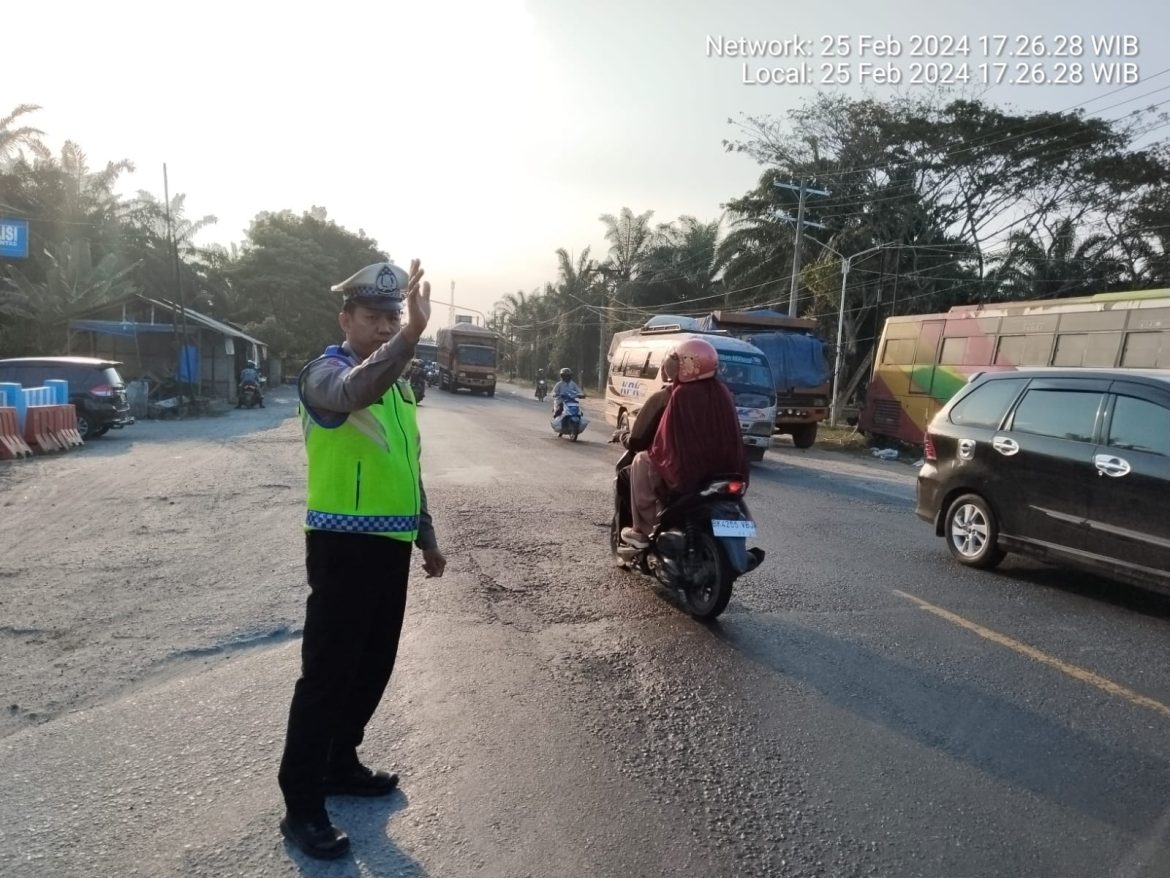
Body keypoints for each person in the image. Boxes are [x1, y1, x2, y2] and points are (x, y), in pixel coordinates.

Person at [277, 259, 448, 861]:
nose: (383, 327)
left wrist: (426, 537)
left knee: (373, 664)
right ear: (345, 317)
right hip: (341, 546)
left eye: (391, 318)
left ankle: (340, 761)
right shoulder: (324, 374)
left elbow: (408, 466)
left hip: (390, 547)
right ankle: (301, 805)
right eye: (373, 317)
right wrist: (407, 340)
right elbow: (354, 392)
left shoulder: (398, 386)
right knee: (326, 675)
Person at [621, 338, 747, 549]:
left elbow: (664, 440)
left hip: (691, 469)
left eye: (676, 360)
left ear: (687, 364)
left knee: (642, 461)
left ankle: (642, 530)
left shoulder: (680, 394)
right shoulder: (722, 391)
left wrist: (650, 450)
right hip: (727, 467)